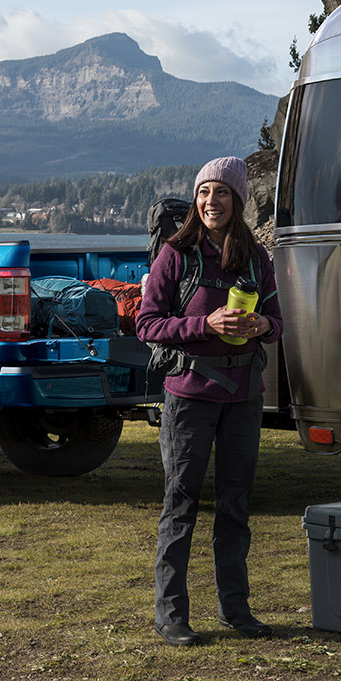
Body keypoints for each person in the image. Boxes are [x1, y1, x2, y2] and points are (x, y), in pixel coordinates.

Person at [136, 156, 283, 645]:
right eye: (204, 192)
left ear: (237, 200)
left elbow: (278, 323)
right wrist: (206, 324)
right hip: (189, 398)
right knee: (180, 503)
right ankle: (171, 615)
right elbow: (147, 324)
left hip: (243, 398)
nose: (211, 201)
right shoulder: (176, 255)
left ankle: (235, 610)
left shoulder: (256, 257)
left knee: (235, 505)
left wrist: (262, 325)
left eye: (221, 192)